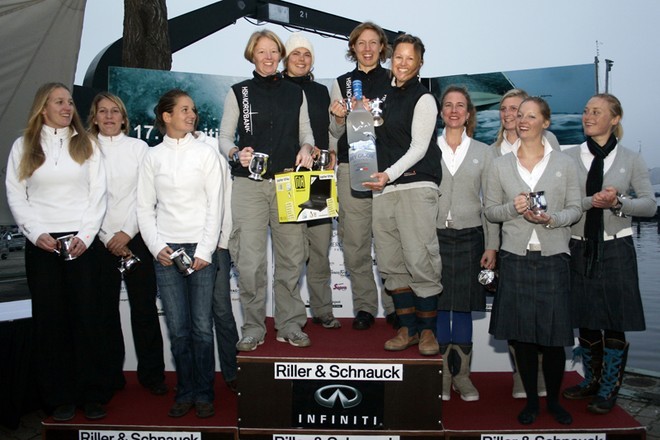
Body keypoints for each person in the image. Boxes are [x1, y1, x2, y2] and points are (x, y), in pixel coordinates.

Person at [5, 82, 109, 421]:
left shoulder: (87, 144)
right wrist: (37, 234)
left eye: (69, 102)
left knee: (87, 319)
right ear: (43, 107)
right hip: (43, 246)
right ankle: (58, 397)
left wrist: (86, 235)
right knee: (51, 323)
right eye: (59, 102)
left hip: (83, 245)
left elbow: (99, 195)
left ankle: (91, 394)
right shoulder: (24, 146)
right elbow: (16, 195)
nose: (67, 107)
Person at [484, 97, 581, 425]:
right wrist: (513, 208)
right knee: (523, 337)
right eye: (518, 115)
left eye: (530, 115)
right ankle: (530, 401)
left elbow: (575, 208)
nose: (522, 120)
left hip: (554, 256)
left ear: (546, 122)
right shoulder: (499, 165)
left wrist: (551, 219)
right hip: (515, 256)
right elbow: (491, 211)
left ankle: (553, 401)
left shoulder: (564, 163)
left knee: (553, 340)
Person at [219, 30, 316, 351]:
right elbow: (224, 139)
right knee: (249, 261)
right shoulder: (239, 93)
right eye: (261, 51)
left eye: (273, 51)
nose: (268, 56)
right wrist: (236, 153)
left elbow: (307, 133)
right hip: (249, 186)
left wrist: (307, 148)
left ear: (280, 55)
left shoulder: (294, 92)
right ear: (252, 55)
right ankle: (252, 328)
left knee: (292, 257)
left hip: (289, 182)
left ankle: (289, 325)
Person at [562, 94, 656, 414]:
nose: (587, 116)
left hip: (616, 246)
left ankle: (609, 388)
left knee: (614, 320)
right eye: (586, 110)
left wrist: (619, 203)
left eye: (596, 112)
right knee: (586, 319)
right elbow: (562, 204)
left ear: (615, 119)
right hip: (578, 245)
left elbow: (649, 204)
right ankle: (592, 380)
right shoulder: (570, 158)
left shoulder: (631, 160)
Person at [137, 89, 224, 419]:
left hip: (200, 253)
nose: (192, 115)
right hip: (166, 253)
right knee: (178, 330)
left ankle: (204, 393)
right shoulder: (152, 157)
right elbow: (144, 208)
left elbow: (214, 206)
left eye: (194, 110)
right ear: (166, 116)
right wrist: (158, 247)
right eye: (184, 109)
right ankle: (185, 391)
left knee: (202, 328)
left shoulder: (206, 154)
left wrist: (204, 251)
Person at [362, 34, 442, 356]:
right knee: (391, 263)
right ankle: (407, 328)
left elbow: (419, 148)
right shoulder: (380, 96)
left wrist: (388, 175)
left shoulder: (424, 99)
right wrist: (359, 116)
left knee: (420, 259)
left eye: (411, 58)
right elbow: (370, 139)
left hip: (414, 186)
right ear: (390, 59)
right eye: (399, 57)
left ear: (420, 63)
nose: (404, 63)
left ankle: (428, 333)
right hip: (383, 189)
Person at [87, 92, 168, 397]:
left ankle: (152, 376)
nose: (109, 117)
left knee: (144, 310)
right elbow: (84, 199)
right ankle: (109, 378)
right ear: (94, 117)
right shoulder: (83, 149)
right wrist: (108, 237)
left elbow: (146, 196)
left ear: (124, 117)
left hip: (137, 239)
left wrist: (127, 233)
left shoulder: (139, 148)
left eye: (115, 112)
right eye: (102, 111)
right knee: (104, 314)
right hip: (97, 241)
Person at [328, 21, 396, 330]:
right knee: (354, 242)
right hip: (349, 167)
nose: (367, 49)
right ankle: (366, 307)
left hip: (387, 170)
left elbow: (400, 128)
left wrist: (376, 117)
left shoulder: (396, 81)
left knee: (389, 242)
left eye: (373, 43)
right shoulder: (340, 83)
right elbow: (334, 134)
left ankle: (397, 306)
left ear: (382, 47)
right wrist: (340, 118)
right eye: (361, 43)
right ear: (352, 48)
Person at [492, 88, 556, 399]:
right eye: (505, 109)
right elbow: (488, 208)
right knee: (515, 317)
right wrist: (490, 247)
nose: (510, 115)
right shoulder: (492, 152)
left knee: (546, 316)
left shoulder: (550, 146)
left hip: (547, 244)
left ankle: (543, 373)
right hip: (509, 244)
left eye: (517, 110)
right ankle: (522, 375)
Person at [435, 85, 498, 401]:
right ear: (441, 112)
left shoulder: (484, 153)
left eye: (461, 105)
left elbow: (491, 204)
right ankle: (441, 377)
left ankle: (462, 377)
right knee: (437, 307)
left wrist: (492, 245)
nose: (454, 110)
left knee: (461, 309)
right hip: (434, 238)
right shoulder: (427, 149)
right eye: (448, 105)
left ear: (469, 113)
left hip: (472, 238)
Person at [282, 32, 340, 329]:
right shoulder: (276, 89)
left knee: (319, 248)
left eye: (306, 54)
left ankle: (323, 310)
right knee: (293, 254)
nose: (302, 59)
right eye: (296, 54)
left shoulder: (321, 91)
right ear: (285, 58)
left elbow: (330, 130)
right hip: (289, 179)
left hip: (318, 179)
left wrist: (332, 153)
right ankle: (291, 316)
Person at [492, 88, 560, 156]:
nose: (506, 114)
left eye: (513, 108)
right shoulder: (491, 152)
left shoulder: (548, 139)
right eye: (503, 109)